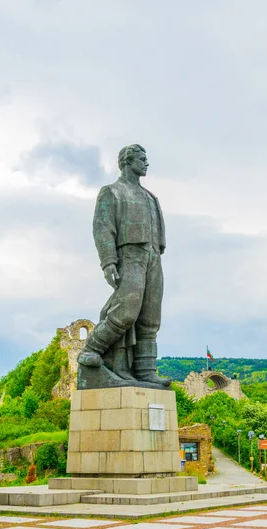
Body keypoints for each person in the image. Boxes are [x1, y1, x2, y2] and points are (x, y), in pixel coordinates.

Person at [78, 144, 171, 387]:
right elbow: (102, 228)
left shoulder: (151, 197)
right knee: (127, 309)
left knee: (151, 317)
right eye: (142, 159)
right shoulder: (112, 192)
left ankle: (145, 369)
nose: (147, 163)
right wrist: (108, 261)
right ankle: (91, 349)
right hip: (130, 254)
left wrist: (155, 254)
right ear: (128, 161)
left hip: (153, 255)